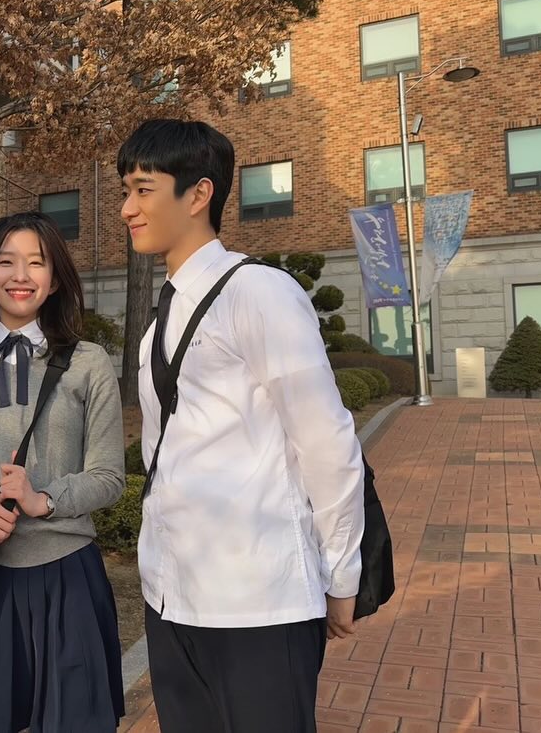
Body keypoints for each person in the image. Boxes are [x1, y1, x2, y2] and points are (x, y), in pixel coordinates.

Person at [119, 119, 365, 733]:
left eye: (144, 190)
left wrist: (341, 573)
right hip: (172, 595)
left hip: (259, 601)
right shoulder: (160, 320)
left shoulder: (258, 292)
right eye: (126, 191)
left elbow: (326, 439)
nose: (127, 209)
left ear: (198, 194)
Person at [0, 211, 126, 733]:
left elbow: (109, 475)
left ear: (54, 280)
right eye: (5, 261)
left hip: (69, 575)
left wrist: (44, 500)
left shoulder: (89, 363)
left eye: (36, 262)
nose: (20, 275)